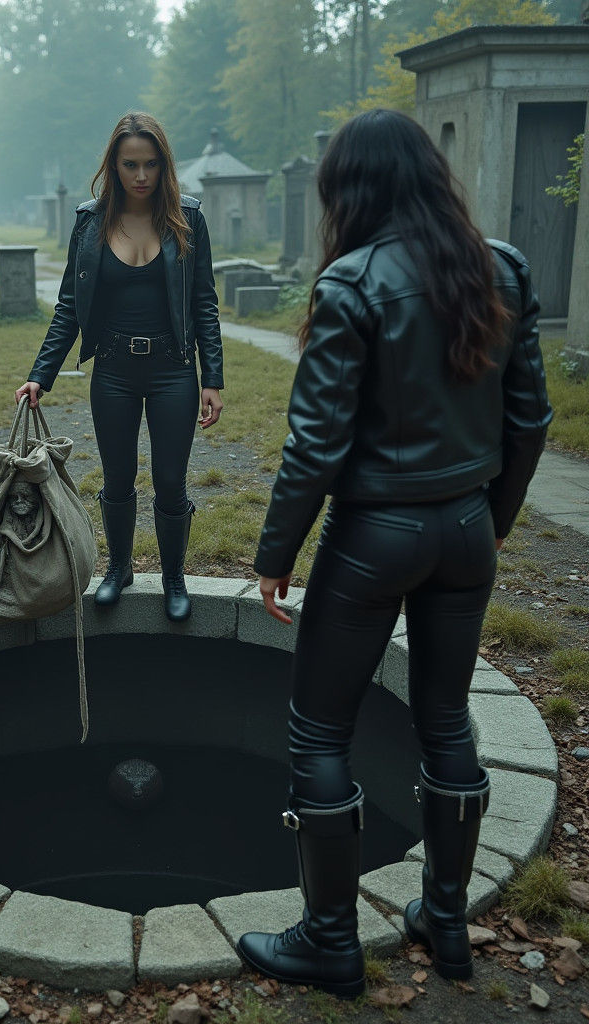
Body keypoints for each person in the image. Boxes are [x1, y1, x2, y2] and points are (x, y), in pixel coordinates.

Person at [237, 109, 552, 998]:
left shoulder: (351, 284)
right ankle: (444, 924)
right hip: (463, 530)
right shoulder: (501, 266)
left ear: (353, 188)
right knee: (445, 721)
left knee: (319, 731)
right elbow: (529, 416)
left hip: (375, 536)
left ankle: (330, 941)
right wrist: (495, 517)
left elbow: (315, 447)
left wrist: (276, 555)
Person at [16, 112, 224, 622]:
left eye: (151, 164)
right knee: (117, 477)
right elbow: (70, 304)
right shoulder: (91, 221)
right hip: (111, 369)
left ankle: (174, 577)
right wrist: (40, 374)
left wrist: (212, 378)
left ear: (164, 165)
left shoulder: (188, 218)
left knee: (171, 480)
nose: (141, 175)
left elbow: (204, 302)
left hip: (174, 368)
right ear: (113, 164)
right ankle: (120, 569)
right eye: (130, 164)